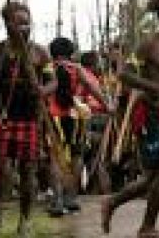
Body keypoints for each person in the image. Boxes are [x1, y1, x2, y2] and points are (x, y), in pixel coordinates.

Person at [101, 0, 159, 238]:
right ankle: (147, 227)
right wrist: (155, 88)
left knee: (154, 177)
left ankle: (112, 203)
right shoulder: (149, 44)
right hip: (147, 115)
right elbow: (124, 74)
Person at [0, 2, 56, 237]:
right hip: (1, 117)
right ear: (7, 25)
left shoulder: (39, 52)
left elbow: (53, 82)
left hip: (29, 118)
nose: (25, 27)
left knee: (28, 170)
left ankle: (25, 220)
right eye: (19, 22)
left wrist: (42, 91)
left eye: (27, 22)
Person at [46, 37, 111, 216]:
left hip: (54, 117)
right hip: (76, 117)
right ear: (72, 53)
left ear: (52, 53)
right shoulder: (77, 69)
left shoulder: (49, 68)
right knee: (76, 156)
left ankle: (58, 200)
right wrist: (107, 105)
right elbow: (91, 87)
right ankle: (71, 198)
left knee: (55, 158)